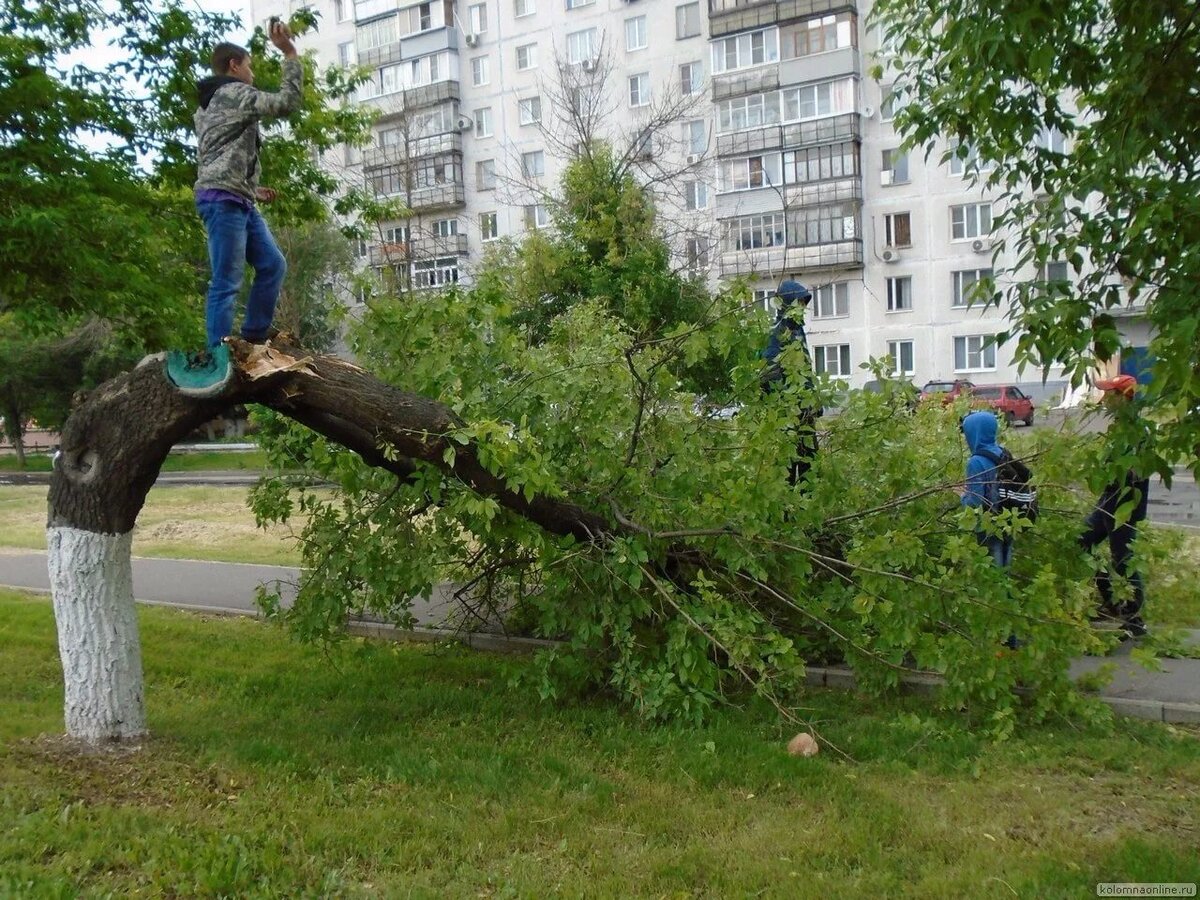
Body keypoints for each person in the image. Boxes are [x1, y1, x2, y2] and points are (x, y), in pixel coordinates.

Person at [165, 19, 303, 397]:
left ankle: (253, 340)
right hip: (222, 200)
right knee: (226, 281)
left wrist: (252, 189)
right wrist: (289, 54)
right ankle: (218, 355)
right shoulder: (233, 92)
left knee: (273, 264)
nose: (252, 73)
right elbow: (286, 103)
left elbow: (217, 152)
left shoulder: (212, 104)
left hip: (236, 195)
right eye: (250, 66)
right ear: (234, 67)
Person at [1079, 374, 1150, 638]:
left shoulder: (1136, 430)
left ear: (1124, 397)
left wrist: (1107, 471)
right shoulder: (1119, 426)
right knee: (1082, 542)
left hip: (1124, 508)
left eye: (1110, 394)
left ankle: (1134, 619)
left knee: (1124, 561)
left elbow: (1137, 472)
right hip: (1108, 503)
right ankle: (1110, 602)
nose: (1105, 399)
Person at [761, 279, 820, 486]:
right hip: (787, 416)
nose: (802, 308)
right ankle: (785, 516)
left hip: (805, 415)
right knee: (786, 471)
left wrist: (814, 400)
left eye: (804, 303)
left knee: (809, 467)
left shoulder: (798, 331)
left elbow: (805, 370)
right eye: (798, 302)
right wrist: (788, 404)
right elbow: (769, 374)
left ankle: (809, 513)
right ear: (787, 303)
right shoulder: (777, 333)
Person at [960, 410, 1013, 567]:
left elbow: (975, 503)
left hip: (989, 525)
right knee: (1006, 569)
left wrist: (962, 496)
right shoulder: (1003, 452)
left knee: (992, 574)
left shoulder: (976, 462)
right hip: (1009, 520)